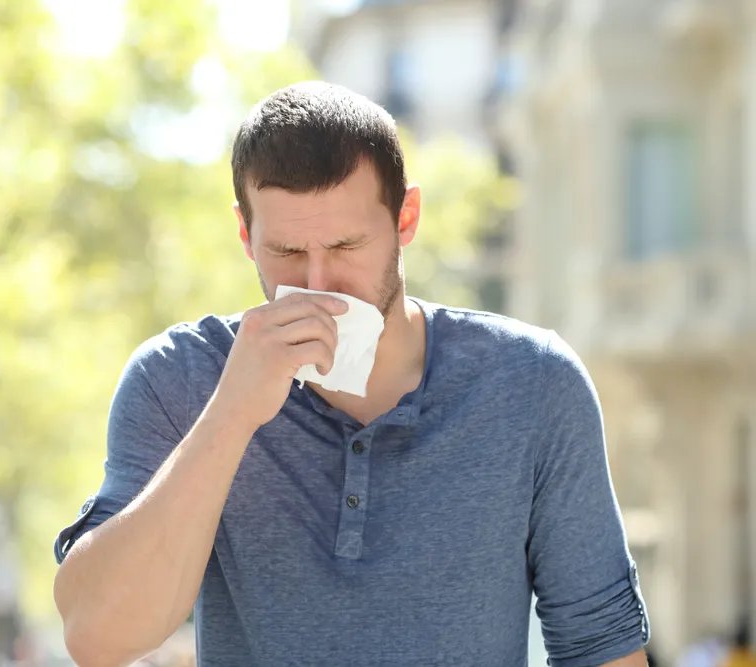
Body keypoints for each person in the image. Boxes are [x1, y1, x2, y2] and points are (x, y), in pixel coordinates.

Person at [52, 81, 651, 666]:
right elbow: (98, 639)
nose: (317, 284)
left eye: (345, 246)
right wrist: (231, 414)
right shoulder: (181, 378)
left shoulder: (533, 383)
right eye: (287, 252)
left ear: (406, 219)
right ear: (245, 234)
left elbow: (602, 648)